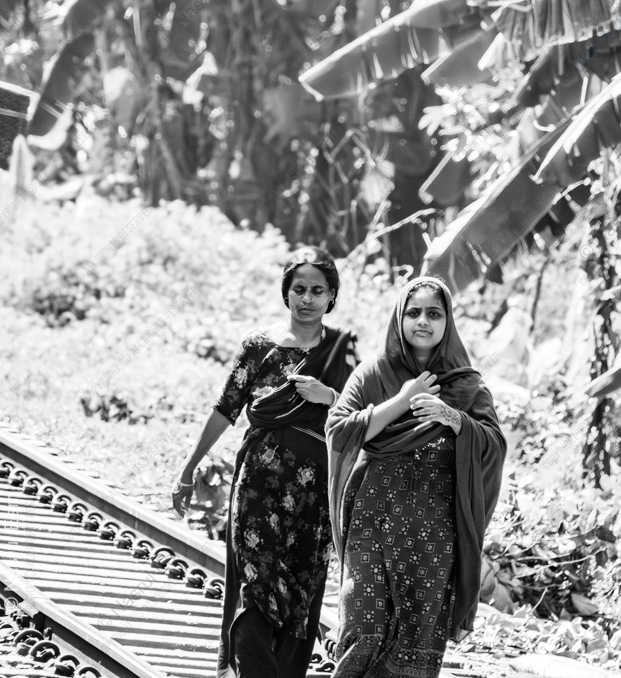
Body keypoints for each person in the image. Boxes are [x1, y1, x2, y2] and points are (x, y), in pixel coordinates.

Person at [171, 246, 358, 678]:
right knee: (256, 580)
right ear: (286, 293)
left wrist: (328, 397)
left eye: (317, 290)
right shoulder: (259, 348)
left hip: (315, 494)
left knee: (302, 587)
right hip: (258, 483)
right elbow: (225, 409)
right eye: (299, 289)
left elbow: (363, 416)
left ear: (332, 296)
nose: (307, 299)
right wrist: (188, 468)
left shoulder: (342, 352)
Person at [326, 276, 507, 678]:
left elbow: (494, 446)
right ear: (399, 318)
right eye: (413, 312)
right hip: (373, 518)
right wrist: (401, 400)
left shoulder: (467, 386)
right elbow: (340, 432)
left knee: (418, 635)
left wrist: (455, 419)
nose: (422, 321)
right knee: (362, 624)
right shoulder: (373, 373)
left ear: (448, 322)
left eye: (434, 313)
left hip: (435, 530)